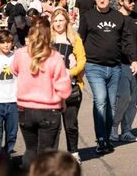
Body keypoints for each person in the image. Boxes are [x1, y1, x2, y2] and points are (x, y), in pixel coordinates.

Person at [79, 0, 137, 155]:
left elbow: (127, 41)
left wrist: (134, 59)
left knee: (111, 104)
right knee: (101, 100)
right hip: (94, 66)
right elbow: (80, 40)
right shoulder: (87, 17)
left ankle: (107, 136)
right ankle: (101, 139)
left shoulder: (119, 17)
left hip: (115, 67)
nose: (102, 1)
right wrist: (76, 62)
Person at [11, 17, 71, 169]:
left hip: (25, 108)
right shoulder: (54, 56)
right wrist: (61, 100)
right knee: (46, 154)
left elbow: (14, 70)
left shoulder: (20, 53)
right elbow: (63, 87)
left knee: (31, 150)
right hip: (48, 109)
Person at [51, 9, 86, 162]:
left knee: (70, 124)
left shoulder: (74, 39)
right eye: (55, 20)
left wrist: (71, 73)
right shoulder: (48, 40)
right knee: (52, 126)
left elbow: (82, 61)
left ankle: (73, 152)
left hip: (71, 88)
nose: (58, 23)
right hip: (50, 89)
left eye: (61, 20)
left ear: (66, 21)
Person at [111, 0, 137, 143]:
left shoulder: (136, 17)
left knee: (133, 99)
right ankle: (113, 128)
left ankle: (127, 130)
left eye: (134, 1)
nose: (132, 4)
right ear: (121, 1)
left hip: (135, 62)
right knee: (123, 97)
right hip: (120, 62)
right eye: (129, 1)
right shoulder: (115, 17)